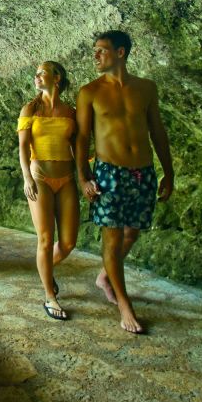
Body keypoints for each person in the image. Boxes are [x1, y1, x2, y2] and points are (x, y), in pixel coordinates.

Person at [75, 30, 173, 334]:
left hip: (142, 172)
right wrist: (82, 177)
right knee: (113, 238)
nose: (95, 56)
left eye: (101, 50)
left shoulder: (146, 88)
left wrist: (169, 172)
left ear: (120, 53)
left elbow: (157, 131)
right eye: (94, 51)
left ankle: (105, 275)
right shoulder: (89, 92)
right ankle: (124, 304)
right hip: (108, 174)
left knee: (132, 233)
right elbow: (81, 138)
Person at [17, 61, 79, 321]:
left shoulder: (71, 112)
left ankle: (45, 271)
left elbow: (78, 148)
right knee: (45, 238)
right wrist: (26, 178)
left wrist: (86, 176)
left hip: (66, 178)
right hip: (39, 176)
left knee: (67, 243)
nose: (36, 77)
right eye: (36, 73)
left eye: (42, 72)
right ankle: (49, 296)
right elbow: (22, 147)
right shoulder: (31, 108)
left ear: (57, 77)